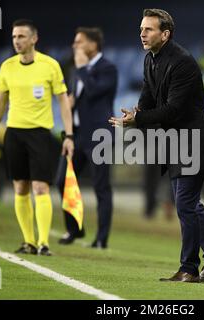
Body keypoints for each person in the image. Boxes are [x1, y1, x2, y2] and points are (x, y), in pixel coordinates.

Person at [110, 8, 204, 283]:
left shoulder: (183, 62)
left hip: (193, 141)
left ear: (165, 34)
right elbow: (149, 94)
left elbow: (173, 109)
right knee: (187, 204)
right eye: (141, 28)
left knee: (186, 204)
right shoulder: (150, 59)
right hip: (177, 142)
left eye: (148, 29)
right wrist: (136, 113)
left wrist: (139, 120)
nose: (142, 33)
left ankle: (189, 267)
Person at [0, 19, 73, 256]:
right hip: (15, 133)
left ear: (34, 38)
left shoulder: (50, 65)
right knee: (20, 188)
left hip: (40, 134)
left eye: (21, 36)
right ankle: (28, 241)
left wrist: (69, 135)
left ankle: (43, 243)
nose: (17, 41)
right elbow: (0, 103)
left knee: (41, 187)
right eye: (14, 37)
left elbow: (63, 101)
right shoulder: (7, 67)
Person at [55, 27, 117, 248]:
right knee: (63, 180)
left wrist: (81, 68)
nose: (75, 46)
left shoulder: (108, 68)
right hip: (78, 135)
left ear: (93, 44)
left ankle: (101, 238)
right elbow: (79, 97)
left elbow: (93, 91)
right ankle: (75, 229)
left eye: (79, 42)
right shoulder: (76, 70)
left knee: (101, 186)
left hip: (100, 135)